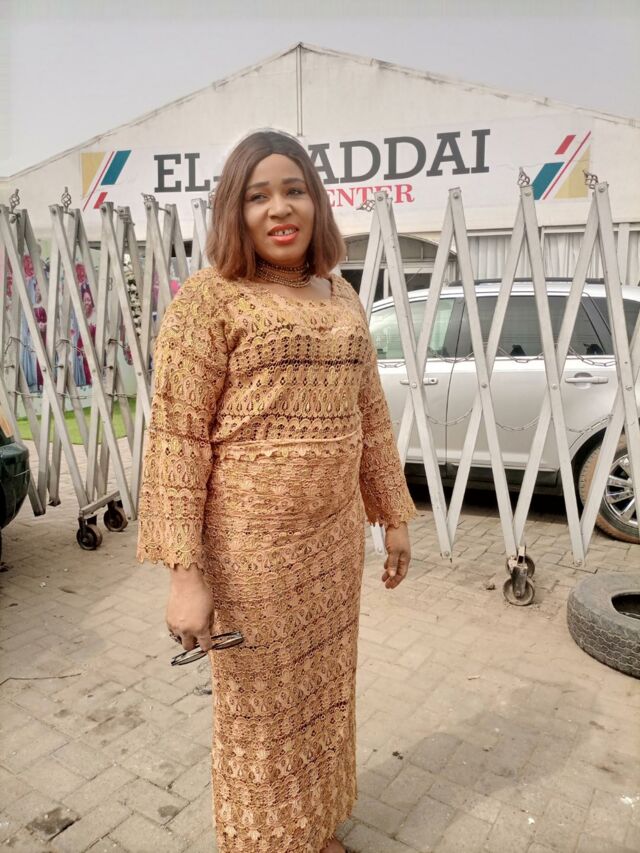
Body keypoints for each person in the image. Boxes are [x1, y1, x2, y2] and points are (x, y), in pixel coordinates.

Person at [136, 130, 416, 853]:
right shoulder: (209, 300)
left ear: (316, 203)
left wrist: (392, 513)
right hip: (252, 554)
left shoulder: (341, 293)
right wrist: (184, 575)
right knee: (261, 718)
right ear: (235, 210)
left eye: (294, 190)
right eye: (258, 196)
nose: (279, 209)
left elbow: (369, 413)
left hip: (333, 544)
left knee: (324, 696)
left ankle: (313, 830)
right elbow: (176, 440)